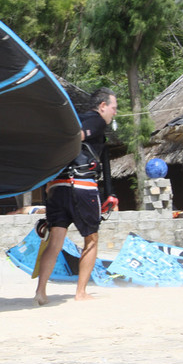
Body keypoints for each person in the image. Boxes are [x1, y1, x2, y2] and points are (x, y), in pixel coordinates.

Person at [34, 87, 118, 305]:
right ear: (102, 106)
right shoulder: (96, 120)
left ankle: (41, 291)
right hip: (81, 187)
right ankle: (80, 292)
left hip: (57, 188)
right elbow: (77, 136)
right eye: (113, 108)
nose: (114, 113)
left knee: (55, 241)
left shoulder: (70, 120)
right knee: (91, 240)